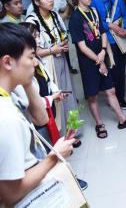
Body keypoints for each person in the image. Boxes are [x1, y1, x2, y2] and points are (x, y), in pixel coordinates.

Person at [0, 22, 75, 206]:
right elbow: (10, 193)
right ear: (8, 62)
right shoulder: (5, 117)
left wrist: (26, 82)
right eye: (31, 57)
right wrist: (54, 157)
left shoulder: (12, 92)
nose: (35, 63)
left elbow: (41, 118)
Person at [69, 0, 126, 138]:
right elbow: (82, 47)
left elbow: (103, 33)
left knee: (111, 90)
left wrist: (103, 52)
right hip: (89, 62)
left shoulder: (93, 11)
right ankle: (99, 124)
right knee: (92, 95)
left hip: (100, 55)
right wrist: (99, 60)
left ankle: (122, 119)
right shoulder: (75, 19)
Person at [25, 0, 80, 137]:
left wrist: (62, 45)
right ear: (36, 2)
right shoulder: (32, 20)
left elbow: (62, 34)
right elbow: (32, 51)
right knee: (55, 98)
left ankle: (72, 132)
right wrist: (52, 50)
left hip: (60, 58)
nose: (51, 0)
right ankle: (60, 135)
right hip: (46, 63)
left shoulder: (54, 15)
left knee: (67, 94)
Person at [91, 0, 126, 110]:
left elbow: (125, 16)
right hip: (106, 41)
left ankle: (120, 97)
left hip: (119, 40)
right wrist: (110, 26)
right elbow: (95, 22)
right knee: (110, 70)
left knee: (121, 69)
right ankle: (111, 96)